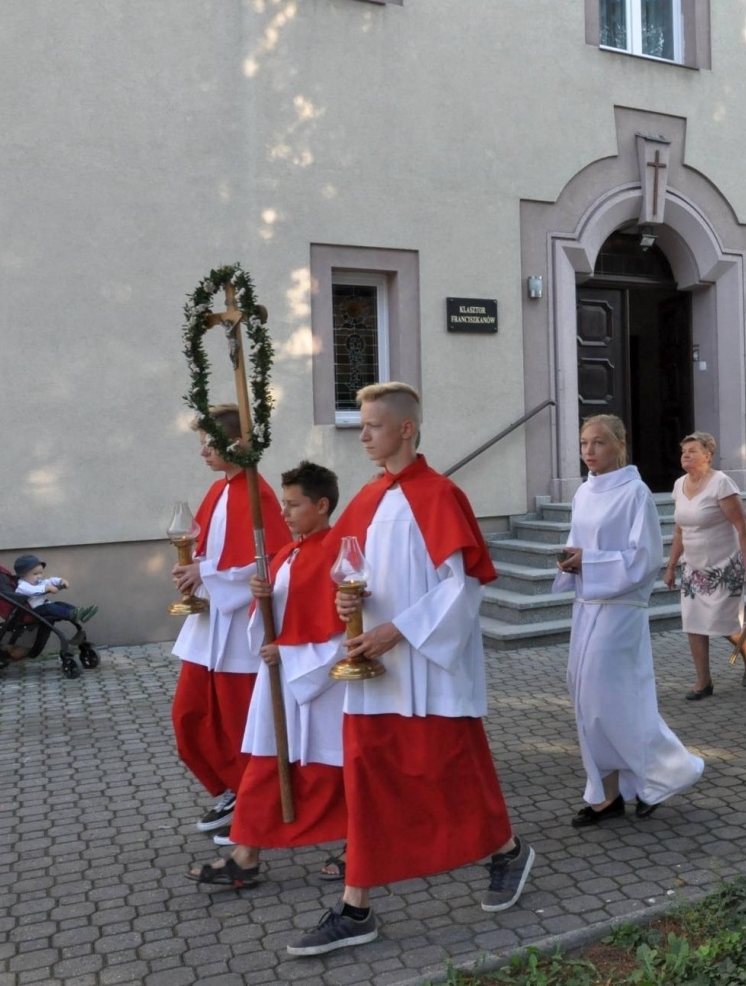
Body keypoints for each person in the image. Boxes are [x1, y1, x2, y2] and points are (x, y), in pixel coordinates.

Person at [288, 383, 535, 957]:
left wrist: (394, 631)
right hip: (375, 671)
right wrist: (346, 604)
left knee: (452, 775)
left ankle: (507, 851)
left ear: (405, 428)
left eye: (372, 425)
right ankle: (356, 908)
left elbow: (462, 587)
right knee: (367, 778)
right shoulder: (368, 499)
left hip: (427, 667)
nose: (363, 434)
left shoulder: (440, 494)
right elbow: (345, 572)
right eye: (362, 425)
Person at [190, 461, 347, 888]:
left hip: (321, 684)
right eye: (282, 504)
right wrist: (265, 598)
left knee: (334, 770)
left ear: (322, 504)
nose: (283, 513)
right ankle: (246, 855)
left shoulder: (337, 554)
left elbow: (344, 631)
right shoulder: (288, 553)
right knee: (264, 765)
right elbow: (277, 620)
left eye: (293, 506)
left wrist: (291, 656)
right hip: (280, 676)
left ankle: (359, 842)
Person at [555, 414, 704, 828]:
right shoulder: (584, 492)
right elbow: (581, 541)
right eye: (584, 442)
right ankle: (608, 791)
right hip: (586, 607)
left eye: (598, 443)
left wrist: (593, 562)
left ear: (619, 444)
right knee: (585, 697)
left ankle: (662, 774)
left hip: (619, 610)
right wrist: (572, 559)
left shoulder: (635, 493)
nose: (588, 451)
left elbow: (645, 559)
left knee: (613, 700)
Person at [171, 404, 291, 835]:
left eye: (209, 443)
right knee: (189, 715)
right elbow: (207, 549)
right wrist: (192, 568)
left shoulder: (258, 495)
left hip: (240, 627)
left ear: (235, 443)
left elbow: (270, 561)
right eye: (201, 443)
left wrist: (206, 573)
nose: (203, 452)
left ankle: (252, 803)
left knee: (238, 722)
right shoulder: (220, 490)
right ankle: (229, 791)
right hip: (208, 625)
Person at [663, 432, 746, 700]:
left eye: (692, 451)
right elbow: (679, 531)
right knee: (694, 623)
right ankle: (703, 681)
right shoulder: (679, 484)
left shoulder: (721, 484)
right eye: (683, 451)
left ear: (707, 456)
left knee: (724, 622)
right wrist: (671, 566)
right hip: (693, 568)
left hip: (724, 566)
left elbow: (743, 526)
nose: (686, 455)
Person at [12, 555, 98, 625]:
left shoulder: (36, 582)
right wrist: (47, 588)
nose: (39, 576)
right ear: (22, 575)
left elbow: (49, 581)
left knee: (59, 604)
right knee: (50, 607)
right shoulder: (22, 586)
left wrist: (60, 581)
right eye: (35, 574)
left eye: (40, 573)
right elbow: (33, 591)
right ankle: (71, 614)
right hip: (33, 611)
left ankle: (80, 613)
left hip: (43, 606)